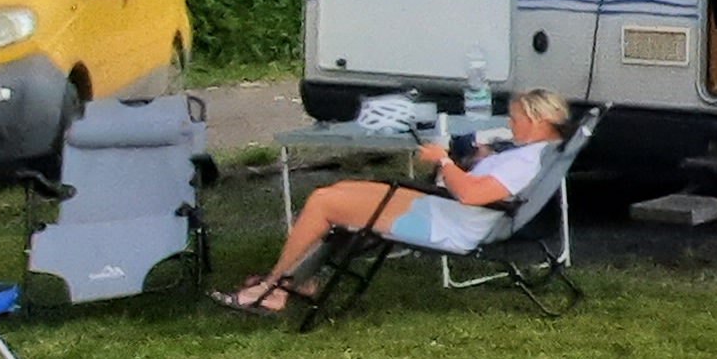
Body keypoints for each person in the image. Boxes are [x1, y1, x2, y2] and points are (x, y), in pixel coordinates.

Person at [228, 91, 572, 316]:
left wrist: (445, 161)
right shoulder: (536, 152)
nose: (510, 124)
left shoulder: (526, 160)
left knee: (323, 202)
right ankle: (299, 277)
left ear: (537, 121)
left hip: (445, 222)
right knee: (342, 188)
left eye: (515, 119)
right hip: (446, 210)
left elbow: (471, 194)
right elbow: (487, 188)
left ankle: (275, 289)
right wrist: (480, 159)